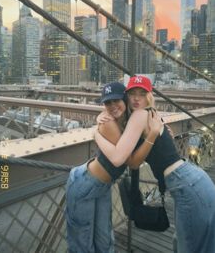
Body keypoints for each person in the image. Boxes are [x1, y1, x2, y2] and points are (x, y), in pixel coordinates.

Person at [95, 75, 215, 253]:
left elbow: (134, 163)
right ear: (126, 96)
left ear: (149, 96)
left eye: (141, 94)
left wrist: (96, 134)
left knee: (189, 245)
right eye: (132, 93)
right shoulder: (151, 114)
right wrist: (102, 116)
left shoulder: (140, 115)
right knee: (202, 243)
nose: (136, 98)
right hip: (192, 180)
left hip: (186, 184)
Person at [65, 81, 163, 253]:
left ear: (125, 99)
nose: (112, 106)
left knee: (104, 238)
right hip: (84, 183)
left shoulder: (127, 120)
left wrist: (162, 130)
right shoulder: (108, 122)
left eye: (116, 100)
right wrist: (96, 132)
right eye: (107, 102)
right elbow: (125, 159)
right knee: (82, 240)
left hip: (102, 186)